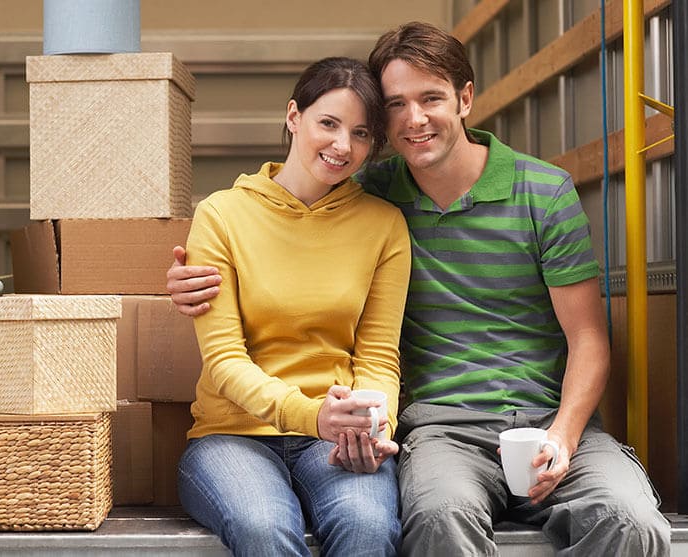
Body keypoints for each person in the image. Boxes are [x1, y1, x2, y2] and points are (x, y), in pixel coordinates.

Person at [167, 22, 671, 556]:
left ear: (465, 98)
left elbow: (587, 338)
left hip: (544, 421)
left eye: (431, 98)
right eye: (395, 105)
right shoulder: (362, 191)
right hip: (440, 430)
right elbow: (290, 214)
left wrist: (564, 436)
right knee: (433, 519)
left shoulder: (535, 194)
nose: (414, 119)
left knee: (632, 522)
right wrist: (180, 280)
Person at [175, 56, 411, 557]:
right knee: (264, 527)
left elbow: (378, 356)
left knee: (367, 527)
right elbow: (224, 361)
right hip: (232, 435)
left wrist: (373, 425)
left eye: (362, 133)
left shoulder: (383, 225)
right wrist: (310, 415)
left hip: (337, 436)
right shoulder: (222, 215)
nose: (342, 146)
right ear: (292, 117)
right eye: (328, 123)